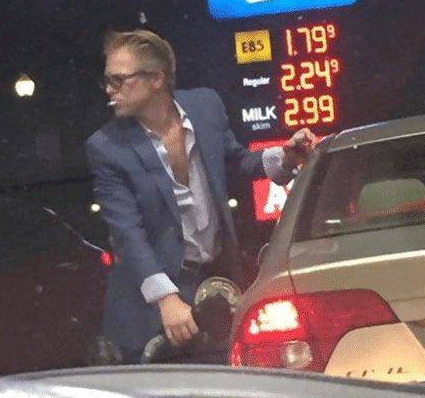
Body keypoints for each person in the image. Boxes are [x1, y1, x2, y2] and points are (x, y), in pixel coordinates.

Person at [86, 29, 315, 363]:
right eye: (107, 80)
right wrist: (165, 299)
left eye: (119, 80)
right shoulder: (106, 146)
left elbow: (234, 162)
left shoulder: (205, 107)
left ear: (156, 79)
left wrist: (284, 158)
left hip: (216, 286)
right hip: (149, 305)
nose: (109, 90)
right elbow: (127, 232)